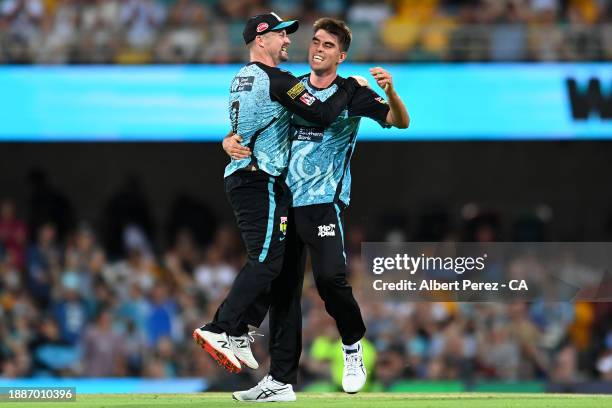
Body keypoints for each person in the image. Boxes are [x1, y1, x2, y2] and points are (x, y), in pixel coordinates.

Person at [223, 18, 409, 402]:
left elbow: (400, 122)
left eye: (327, 45)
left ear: (341, 55)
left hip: (324, 203)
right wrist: (228, 140)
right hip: (286, 200)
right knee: (284, 292)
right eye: (316, 42)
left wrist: (390, 92)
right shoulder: (293, 89)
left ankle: (352, 345)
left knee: (329, 280)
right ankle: (280, 381)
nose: (317, 48)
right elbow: (254, 126)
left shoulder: (353, 92)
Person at [192, 12, 362, 380]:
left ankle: (239, 331)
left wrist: (228, 140)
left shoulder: (241, 78)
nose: (288, 41)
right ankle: (221, 327)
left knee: (276, 260)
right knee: (268, 262)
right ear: (261, 39)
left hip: (246, 178)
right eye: (282, 35)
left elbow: (244, 129)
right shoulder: (280, 81)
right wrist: (349, 87)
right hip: (261, 181)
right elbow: (323, 114)